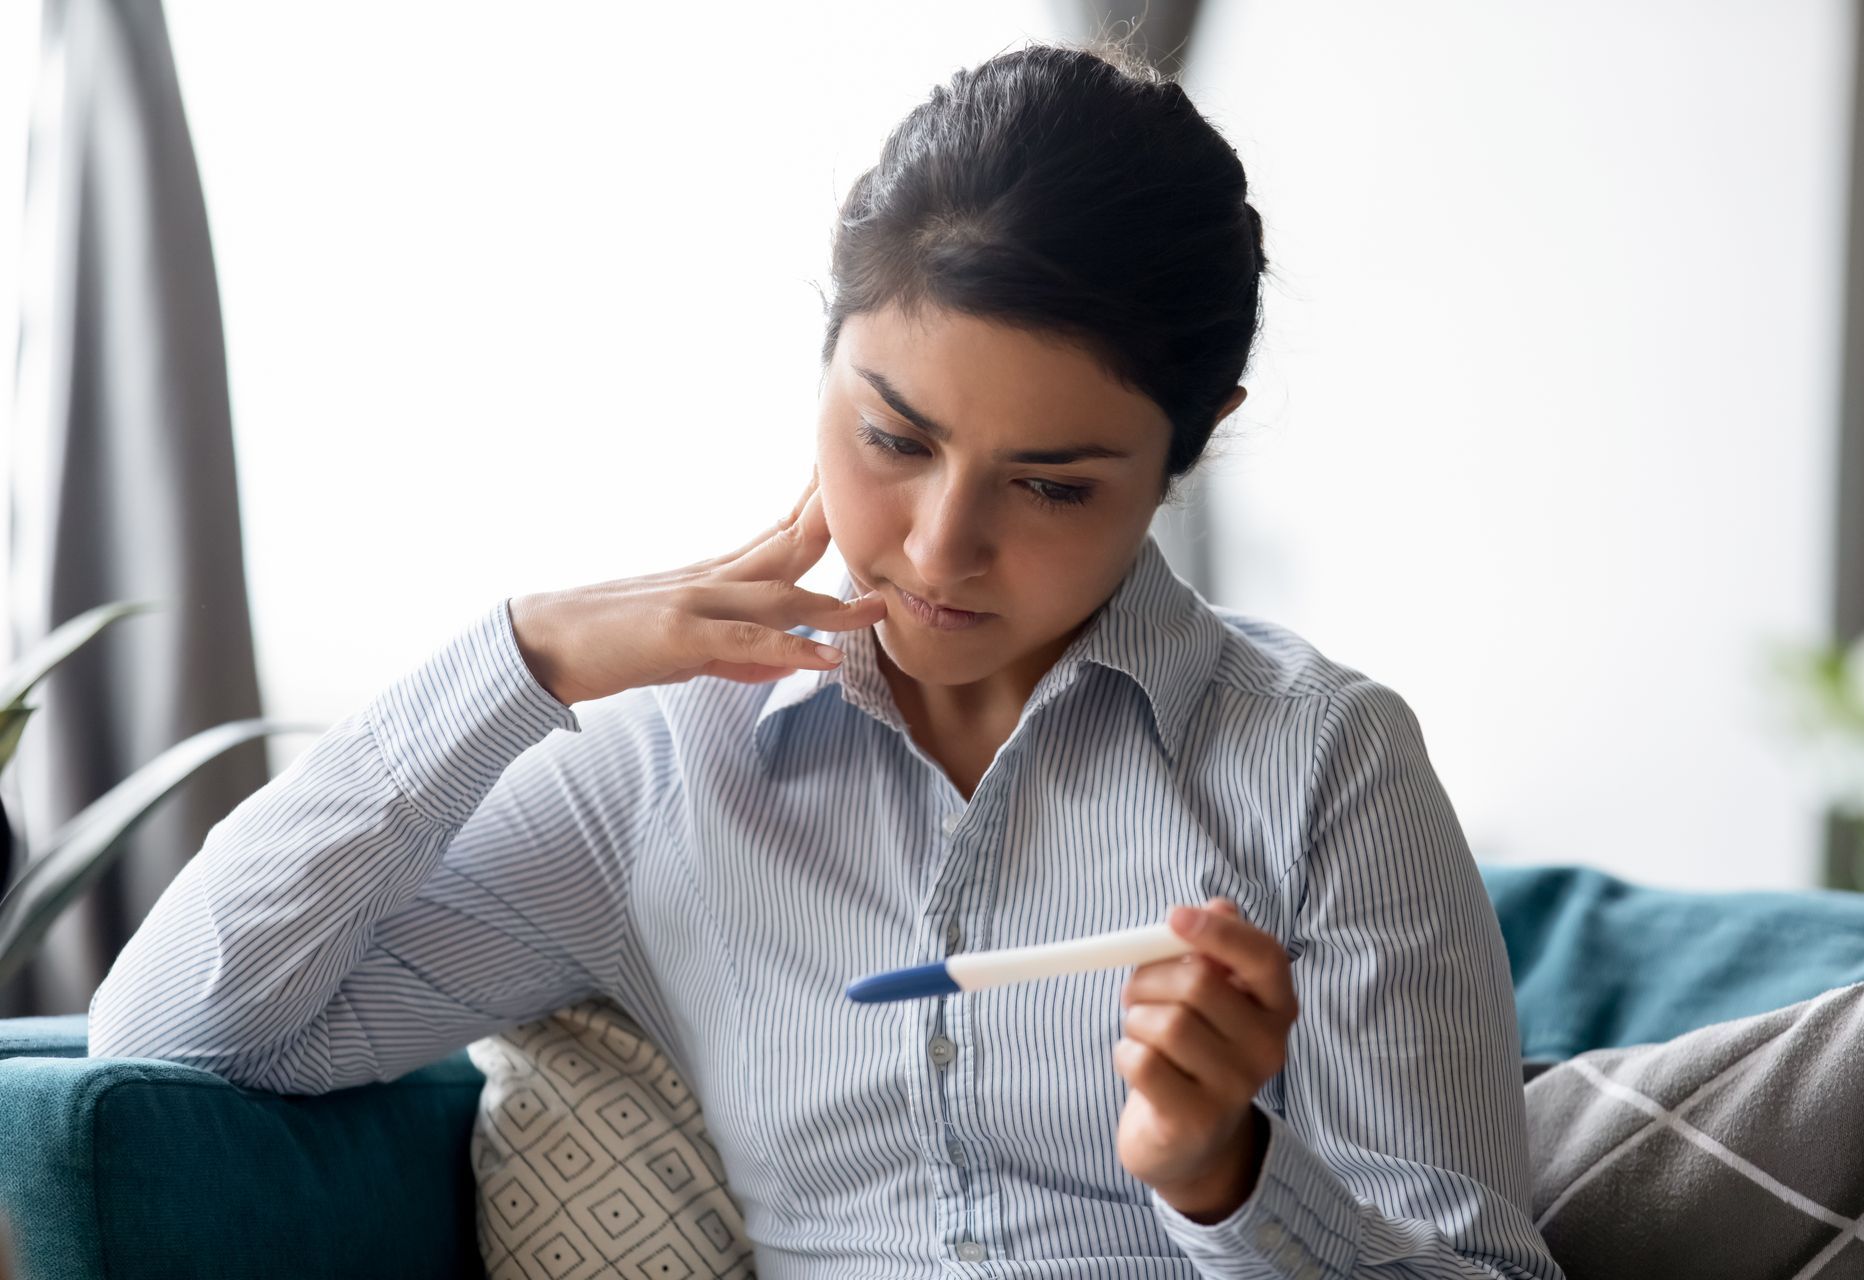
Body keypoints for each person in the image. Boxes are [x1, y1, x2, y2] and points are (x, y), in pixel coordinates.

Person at [89, 39, 1563, 1280]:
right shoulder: (665, 763)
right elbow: (174, 1032)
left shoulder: (1325, 768)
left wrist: (1225, 1179)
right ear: (826, 356)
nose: (938, 547)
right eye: (892, 438)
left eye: (1052, 487)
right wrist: (525, 656)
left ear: (1194, 441)